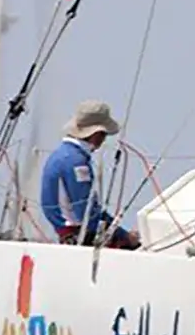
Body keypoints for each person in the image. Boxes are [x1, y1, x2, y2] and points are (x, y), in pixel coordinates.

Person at [41, 100, 140, 249]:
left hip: (65, 232)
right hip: (79, 234)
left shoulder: (60, 154)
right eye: (104, 135)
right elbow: (86, 214)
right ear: (97, 134)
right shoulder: (76, 162)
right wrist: (123, 236)